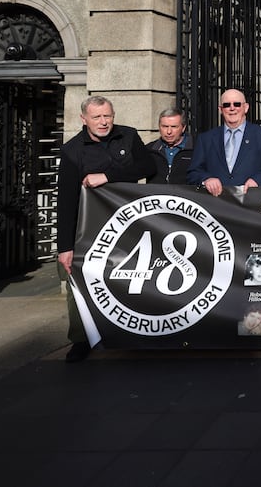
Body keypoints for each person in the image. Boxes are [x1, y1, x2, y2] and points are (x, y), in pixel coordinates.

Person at [56, 95, 156, 362]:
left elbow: (147, 166)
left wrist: (108, 177)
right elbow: (65, 203)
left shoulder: (129, 136)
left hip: (129, 226)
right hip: (87, 231)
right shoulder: (71, 150)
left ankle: (133, 333)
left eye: (107, 116)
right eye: (97, 117)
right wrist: (64, 248)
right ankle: (80, 340)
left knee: (132, 278)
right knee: (78, 284)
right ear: (84, 119)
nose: (103, 122)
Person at [187, 88, 261, 195]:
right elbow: (193, 172)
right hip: (216, 203)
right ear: (220, 109)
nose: (232, 108)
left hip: (250, 203)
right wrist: (206, 179)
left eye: (237, 104)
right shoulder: (206, 139)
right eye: (226, 105)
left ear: (246, 108)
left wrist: (257, 181)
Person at [147, 107, 195, 184]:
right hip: (157, 194)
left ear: (183, 128)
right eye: (165, 126)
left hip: (185, 195)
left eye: (174, 127)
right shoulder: (150, 150)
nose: (169, 131)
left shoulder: (196, 149)